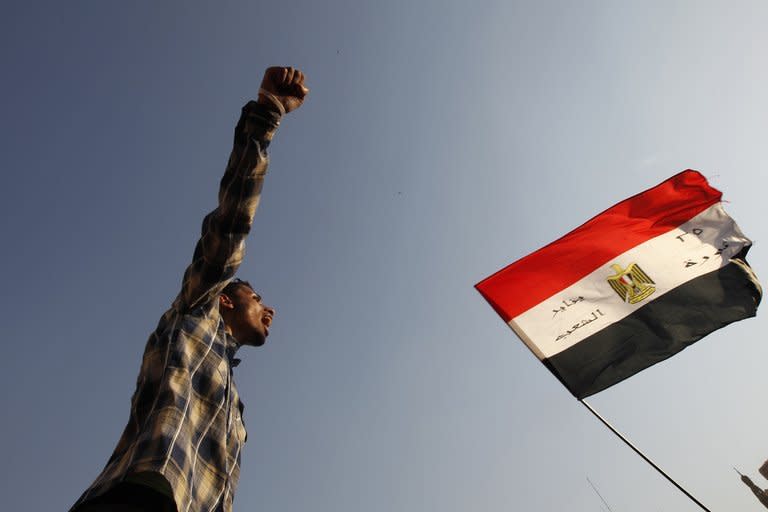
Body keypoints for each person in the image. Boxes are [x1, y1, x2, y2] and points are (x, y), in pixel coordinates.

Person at [70, 66, 309, 512]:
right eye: (256, 298)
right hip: (142, 494)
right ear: (223, 299)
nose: (268, 309)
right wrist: (267, 115)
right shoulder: (196, 315)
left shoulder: (234, 406)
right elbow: (231, 223)